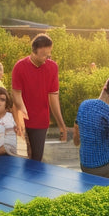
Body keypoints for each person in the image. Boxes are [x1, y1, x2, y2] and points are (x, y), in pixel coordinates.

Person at [11, 33, 67, 161]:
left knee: (36, 159)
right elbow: (16, 93)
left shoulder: (52, 67)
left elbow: (53, 98)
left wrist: (61, 124)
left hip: (41, 122)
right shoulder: (20, 67)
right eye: (43, 55)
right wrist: (22, 110)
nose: (47, 58)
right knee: (21, 159)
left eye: (49, 55)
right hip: (21, 121)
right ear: (34, 52)